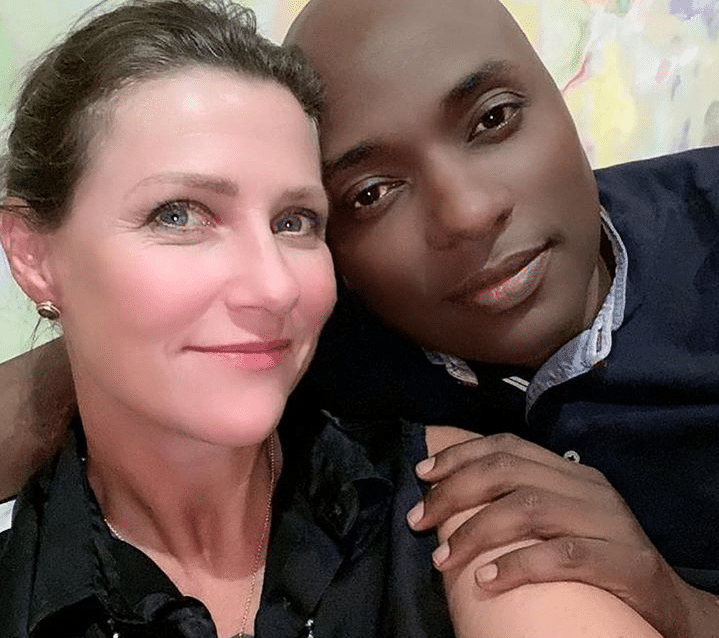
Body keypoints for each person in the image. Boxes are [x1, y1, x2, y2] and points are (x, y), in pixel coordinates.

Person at [0, 1, 671, 637]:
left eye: (295, 222)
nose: (273, 287)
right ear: (32, 254)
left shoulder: (458, 505)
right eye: (178, 215)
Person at [281, 0, 719, 636]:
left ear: (561, 98)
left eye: (493, 119)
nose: (467, 213)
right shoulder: (315, 351)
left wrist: (683, 607)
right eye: (371, 193)